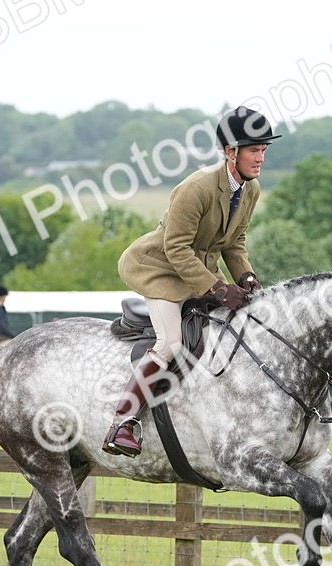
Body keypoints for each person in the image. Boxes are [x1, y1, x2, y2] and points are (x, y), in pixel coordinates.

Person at [101, 106, 281, 457]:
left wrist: (245, 278)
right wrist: (216, 288)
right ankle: (122, 423)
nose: (260, 158)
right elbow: (176, 247)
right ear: (231, 152)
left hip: (194, 270)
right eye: (253, 150)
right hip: (158, 267)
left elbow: (234, 242)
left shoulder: (251, 189)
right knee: (170, 341)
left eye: (263, 150)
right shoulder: (196, 187)